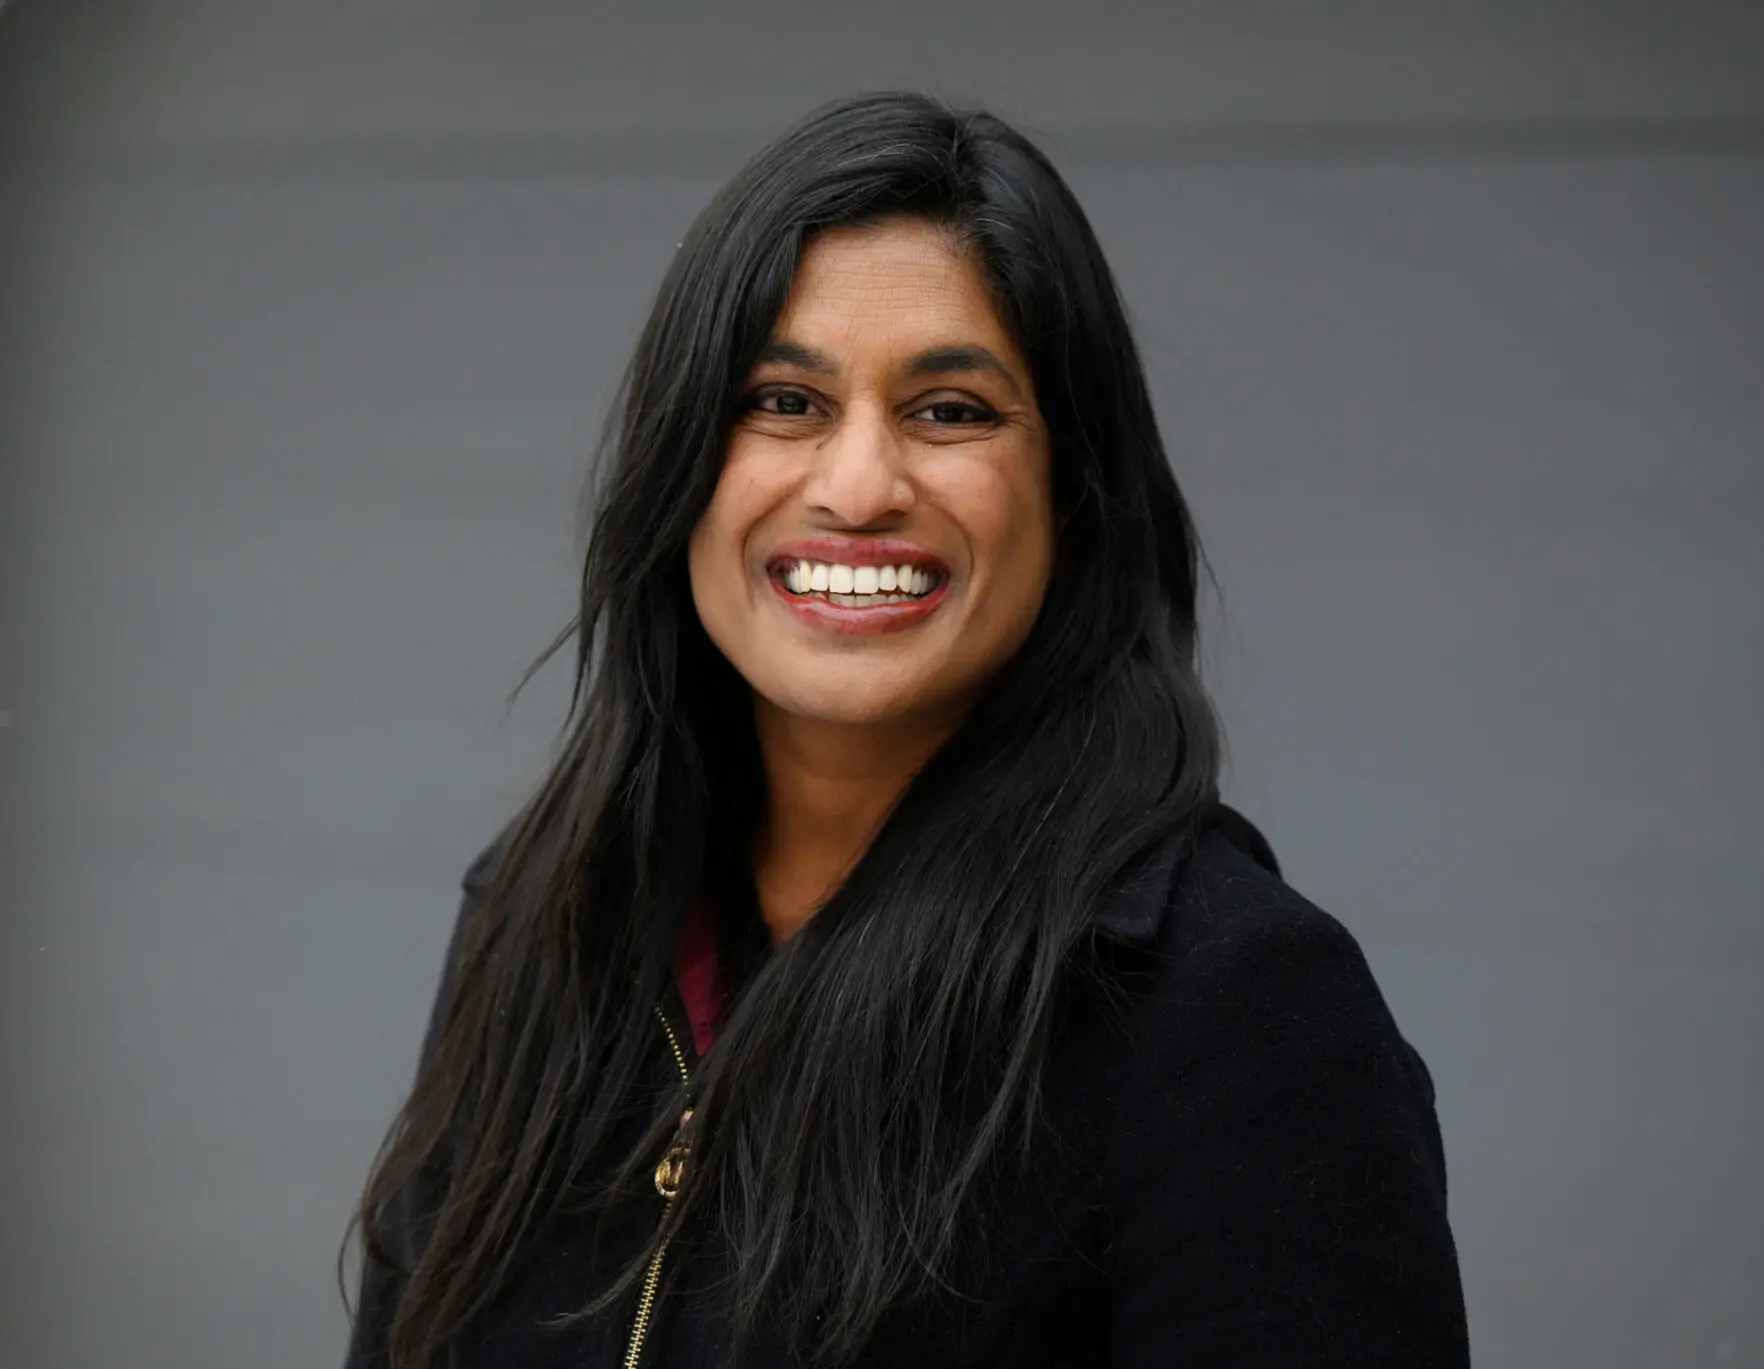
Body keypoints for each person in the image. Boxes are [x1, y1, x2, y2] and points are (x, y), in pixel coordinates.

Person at [344, 90, 1469, 1369]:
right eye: (784, 400)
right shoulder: (545, 914)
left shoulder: (1232, 1009)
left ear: (1074, 492)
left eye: (950, 410)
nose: (859, 485)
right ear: (680, 469)